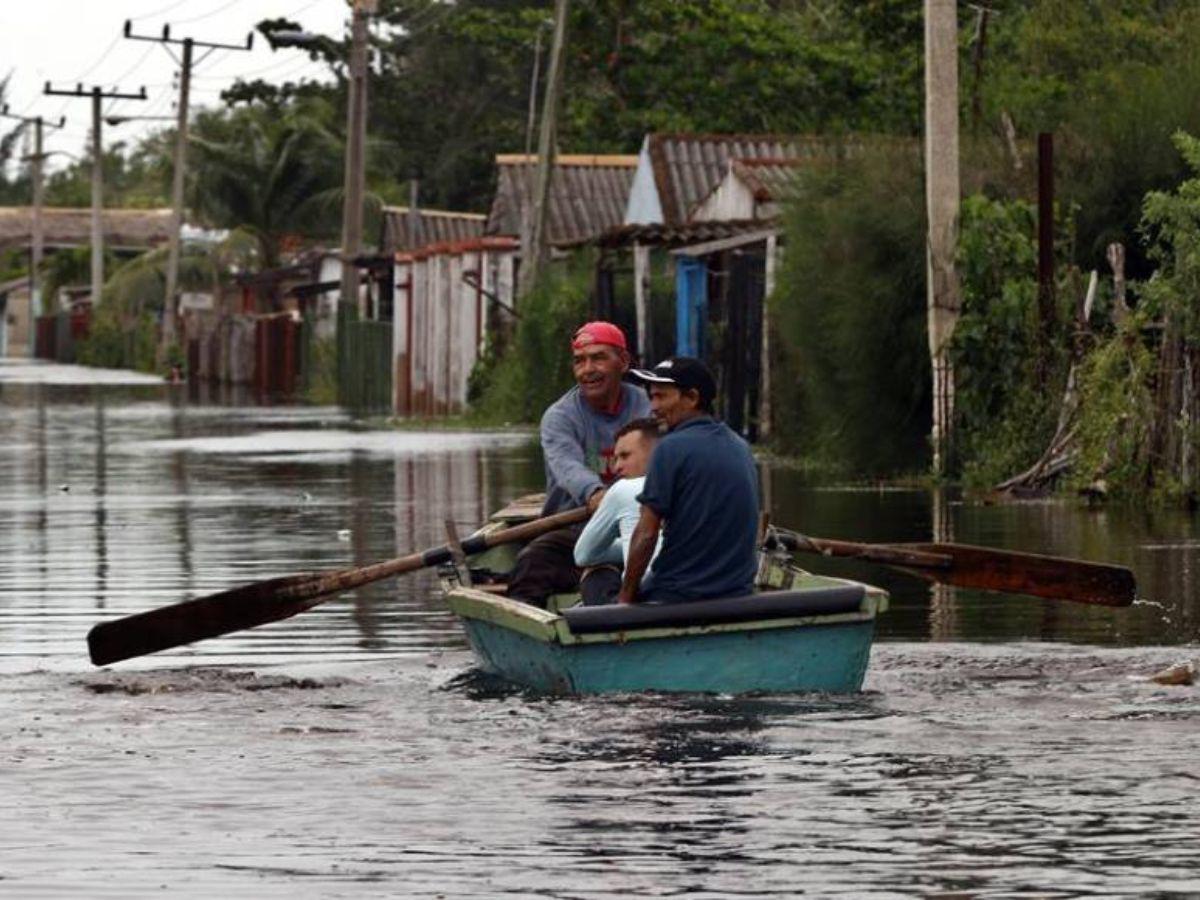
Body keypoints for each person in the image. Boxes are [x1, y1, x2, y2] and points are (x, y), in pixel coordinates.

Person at [507, 321, 652, 606]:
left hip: (642, 526)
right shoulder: (560, 417)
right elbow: (567, 468)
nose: (587, 370)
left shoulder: (648, 407)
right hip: (576, 531)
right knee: (530, 564)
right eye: (580, 361)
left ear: (623, 362)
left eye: (598, 358)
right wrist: (596, 495)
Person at [617, 357, 759, 605]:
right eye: (651, 397)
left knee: (598, 581)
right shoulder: (740, 445)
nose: (653, 406)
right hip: (738, 594)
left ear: (692, 398)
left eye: (662, 397)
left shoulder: (669, 448)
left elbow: (647, 534)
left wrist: (624, 601)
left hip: (677, 595)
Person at [572, 417, 663, 605]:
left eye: (625, 456)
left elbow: (583, 556)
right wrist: (627, 546)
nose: (616, 467)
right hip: (704, 599)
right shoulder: (694, 484)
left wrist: (624, 549)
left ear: (656, 455)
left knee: (595, 572)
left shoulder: (622, 489)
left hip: (644, 602)